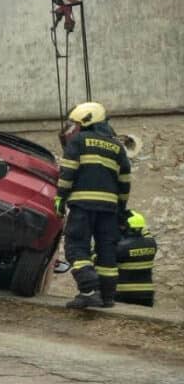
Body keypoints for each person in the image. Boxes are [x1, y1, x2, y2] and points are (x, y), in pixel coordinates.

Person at [55, 101, 131, 309]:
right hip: (109, 209)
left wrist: (60, 198)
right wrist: (121, 211)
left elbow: (67, 173)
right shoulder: (118, 147)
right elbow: (125, 183)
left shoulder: (78, 141)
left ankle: (88, 290)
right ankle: (106, 297)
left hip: (82, 206)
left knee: (76, 247)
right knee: (106, 250)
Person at [116, 210, 157, 307]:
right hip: (147, 294)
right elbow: (146, 233)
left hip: (123, 293)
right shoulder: (152, 244)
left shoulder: (121, 248)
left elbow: (99, 259)